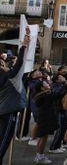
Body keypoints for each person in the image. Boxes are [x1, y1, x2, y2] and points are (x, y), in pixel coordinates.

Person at [0, 34, 28, 163]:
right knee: (4, 141)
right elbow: (19, 66)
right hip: (6, 112)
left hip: (3, 109)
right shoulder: (8, 77)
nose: (5, 64)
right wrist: (23, 47)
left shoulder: (6, 76)